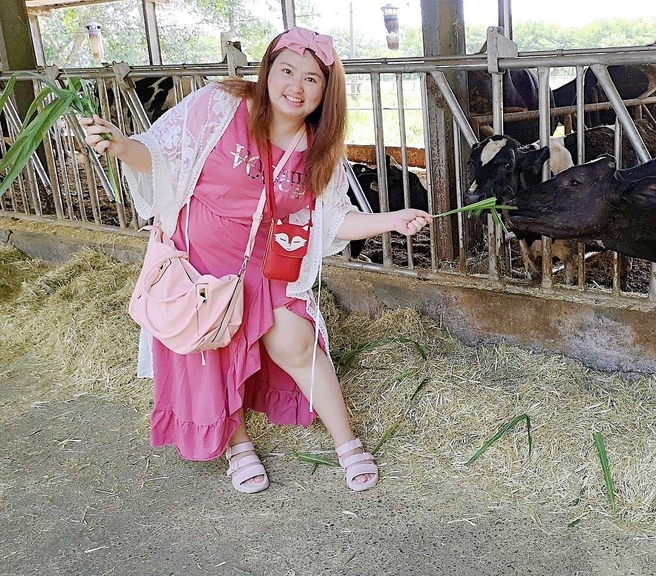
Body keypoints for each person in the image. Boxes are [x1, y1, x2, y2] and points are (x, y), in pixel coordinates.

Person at [79, 27, 431, 494]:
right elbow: (163, 156)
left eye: (311, 78)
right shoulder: (220, 106)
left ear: (326, 92)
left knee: (297, 343)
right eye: (286, 71)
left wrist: (392, 220)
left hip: (265, 268)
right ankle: (236, 443)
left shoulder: (319, 150)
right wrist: (123, 147)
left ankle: (347, 443)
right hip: (197, 263)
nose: (296, 87)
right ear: (267, 72)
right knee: (209, 348)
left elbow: (331, 221)